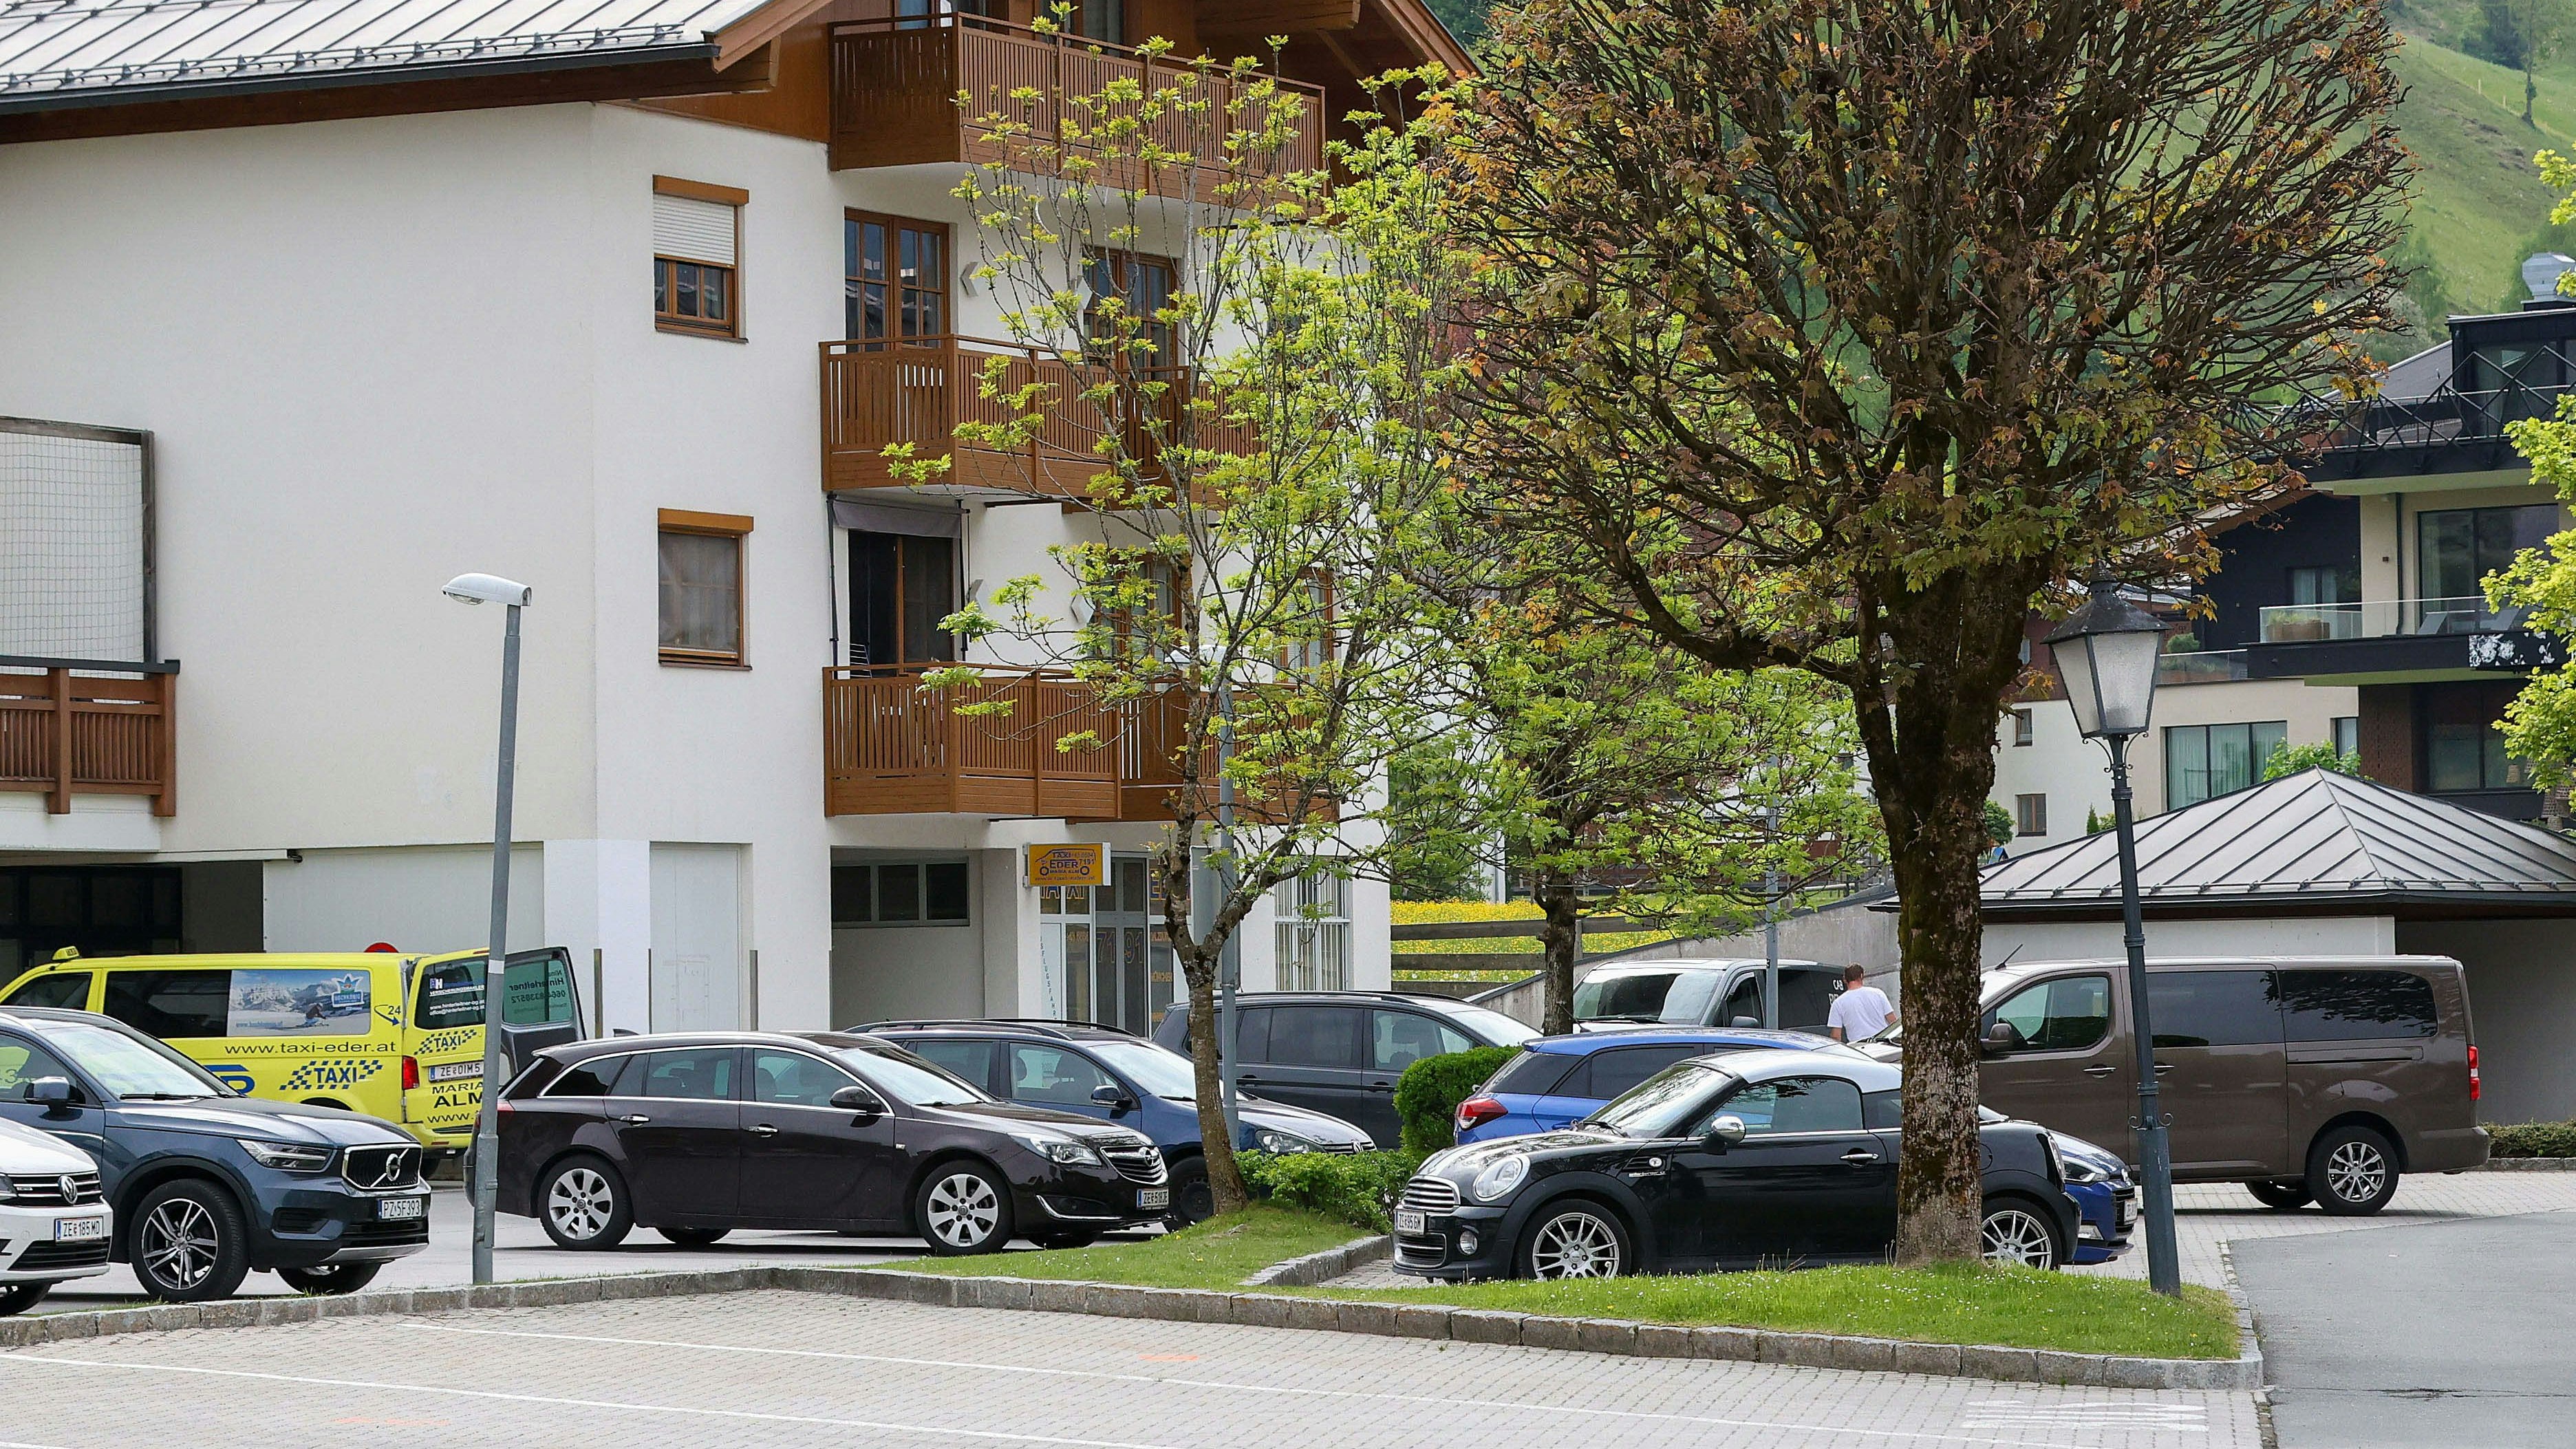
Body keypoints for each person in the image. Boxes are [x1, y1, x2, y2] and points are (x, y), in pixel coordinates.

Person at [1826, 965, 1896, 1042]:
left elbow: (1836, 1036)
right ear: (1862, 976)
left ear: (1845, 979)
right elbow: (1893, 1021)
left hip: (1859, 1049)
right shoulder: (1878, 993)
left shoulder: (1838, 1003)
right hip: (1883, 1044)